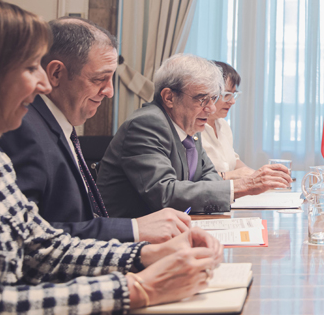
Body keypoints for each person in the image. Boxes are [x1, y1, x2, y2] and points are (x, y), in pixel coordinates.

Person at [0, 0, 222, 315]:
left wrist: (145, 255)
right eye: (28, 67)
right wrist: (138, 289)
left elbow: (42, 248)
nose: (41, 84)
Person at [0, 17, 190, 243]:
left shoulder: (56, 122)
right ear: (56, 74)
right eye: (100, 79)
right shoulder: (23, 129)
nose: (109, 91)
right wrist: (135, 230)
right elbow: (31, 237)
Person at [97, 54, 291, 218]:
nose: (211, 108)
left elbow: (210, 178)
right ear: (169, 97)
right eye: (202, 99)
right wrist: (245, 185)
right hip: (128, 242)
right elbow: (166, 194)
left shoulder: (189, 126)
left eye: (213, 98)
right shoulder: (147, 124)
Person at [201, 60, 255, 180]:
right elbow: (191, 179)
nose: (232, 101)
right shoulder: (192, 128)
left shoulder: (222, 124)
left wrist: (257, 175)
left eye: (234, 95)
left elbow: (233, 161)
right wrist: (230, 176)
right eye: (227, 95)